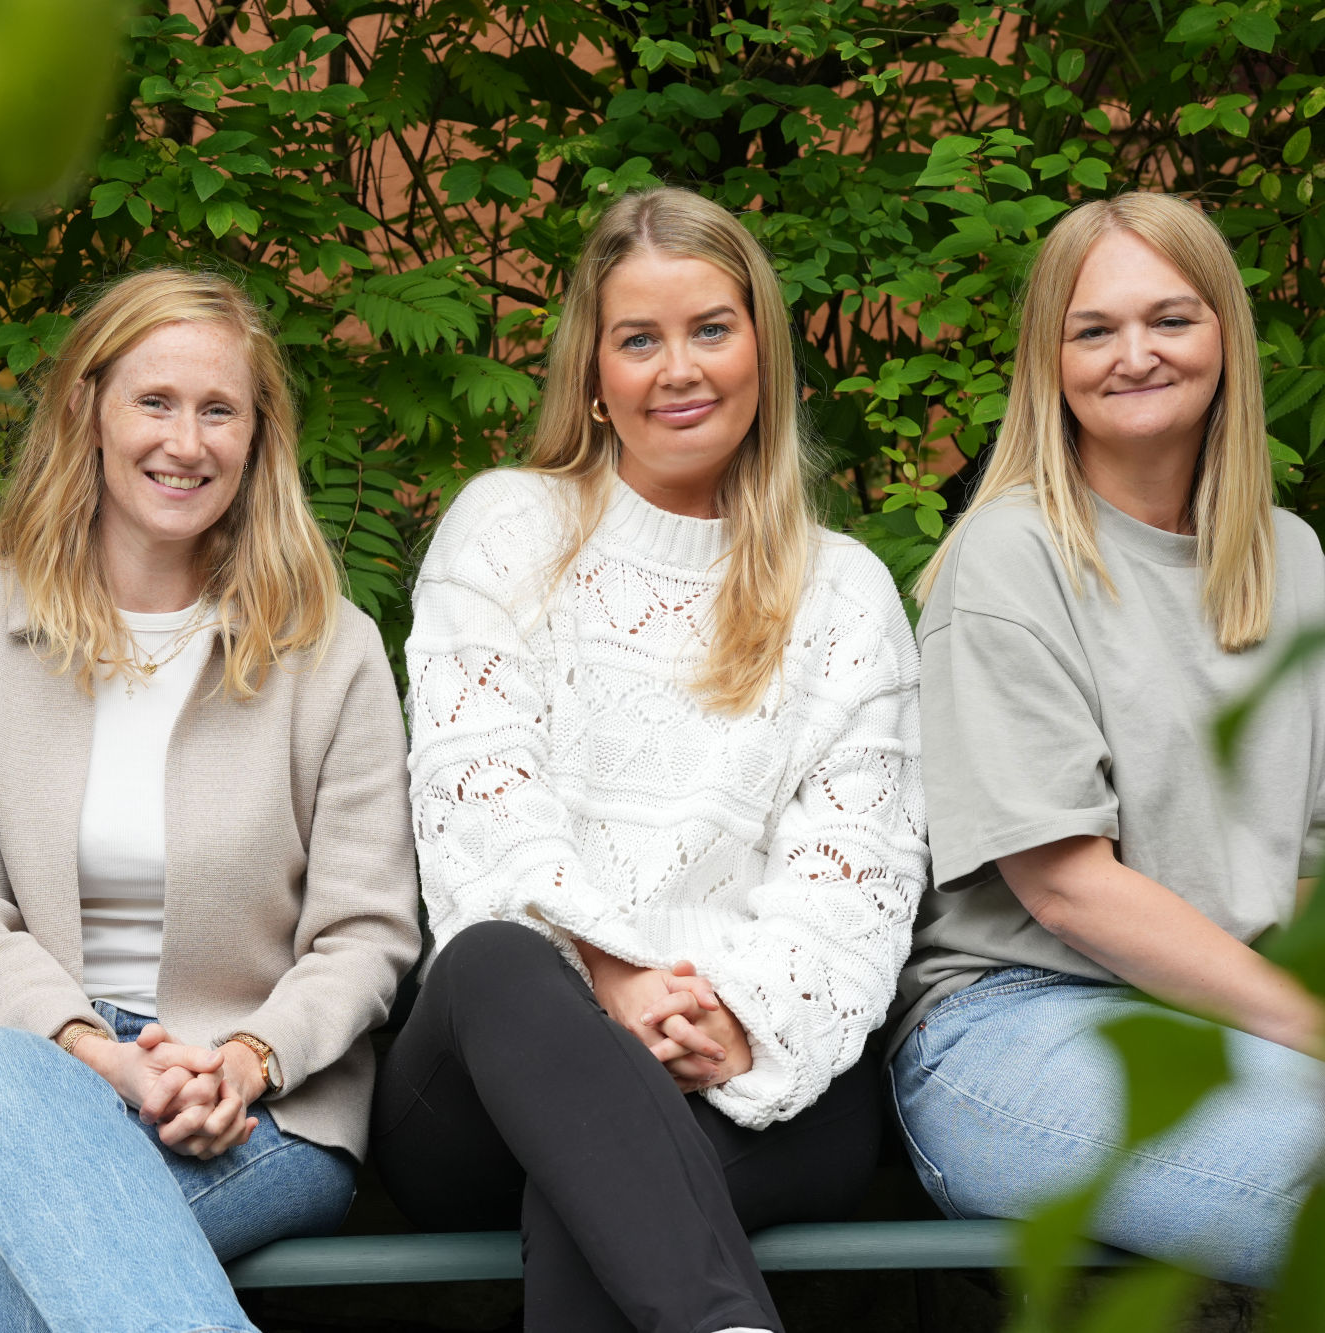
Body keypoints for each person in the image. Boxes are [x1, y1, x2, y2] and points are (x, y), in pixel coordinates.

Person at [373, 185, 928, 1333]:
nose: (677, 368)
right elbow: (482, 818)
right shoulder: (507, 530)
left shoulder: (843, 592)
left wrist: (733, 1014)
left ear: (762, 351)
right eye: (639, 339)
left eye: (709, 330)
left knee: (598, 1197)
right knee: (489, 963)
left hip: (757, 1061)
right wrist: (613, 983)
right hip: (504, 1061)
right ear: (594, 372)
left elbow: (854, 872)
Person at [0, 267, 421, 1333]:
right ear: (87, 409)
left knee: (38, 1272)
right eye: (155, 402)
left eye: (219, 409)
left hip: (257, 1100)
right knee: (15, 1094)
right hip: (6, 1076)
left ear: (257, 435)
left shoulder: (331, 648)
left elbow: (364, 929)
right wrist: (98, 1055)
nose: (187, 441)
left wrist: (248, 1060)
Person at [891, 192, 1325, 1286]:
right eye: (1092, 329)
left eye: (1168, 319)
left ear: (1222, 332)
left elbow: (1302, 866)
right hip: (1016, 1023)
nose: (1133, 353)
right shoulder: (1007, 559)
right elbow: (1066, 886)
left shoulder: (1294, 561)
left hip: (1234, 1015)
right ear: (1050, 360)